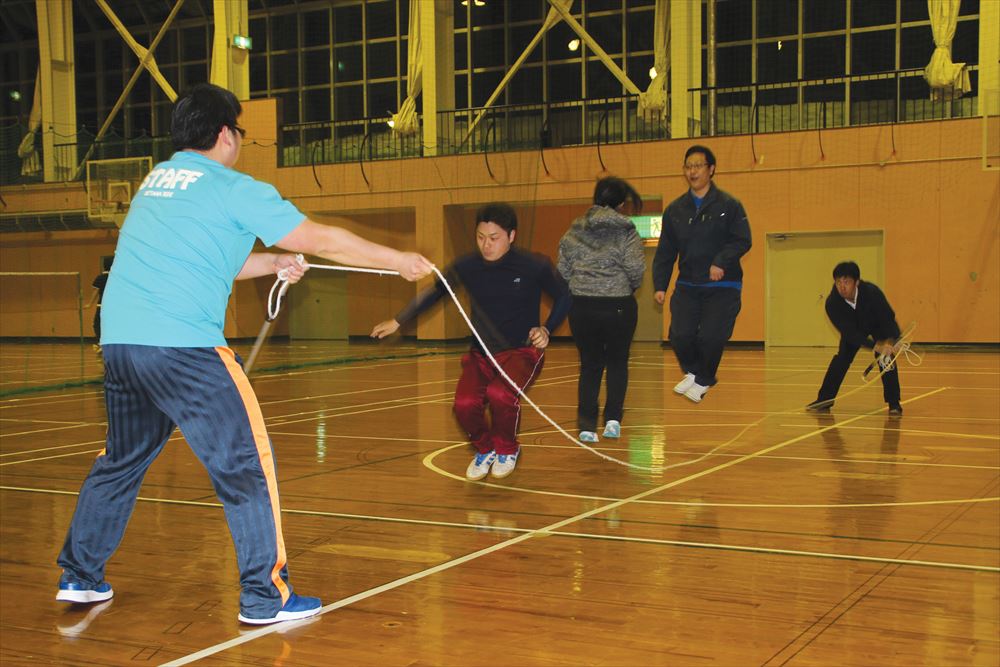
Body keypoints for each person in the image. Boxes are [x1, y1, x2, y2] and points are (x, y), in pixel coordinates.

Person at [55, 83, 434, 625]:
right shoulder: (233, 187)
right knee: (246, 465)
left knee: (120, 461)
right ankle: (265, 596)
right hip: (183, 347)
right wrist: (394, 259)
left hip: (121, 345)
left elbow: (219, 264)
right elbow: (320, 237)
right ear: (226, 134)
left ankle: (80, 576)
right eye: (239, 132)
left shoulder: (155, 184)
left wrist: (275, 262)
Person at [371, 203, 571, 480]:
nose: (486, 245)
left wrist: (547, 329)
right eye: (480, 237)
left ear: (511, 236)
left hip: (521, 352)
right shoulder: (468, 265)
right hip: (481, 354)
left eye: (494, 238)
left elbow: (564, 296)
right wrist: (399, 320)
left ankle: (507, 449)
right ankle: (485, 448)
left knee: (501, 395)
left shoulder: (533, 265)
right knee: (464, 404)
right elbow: (436, 291)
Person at [652, 145, 752, 403]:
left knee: (711, 336)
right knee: (680, 335)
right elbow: (665, 250)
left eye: (698, 165)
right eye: (688, 166)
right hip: (688, 284)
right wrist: (660, 285)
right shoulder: (675, 210)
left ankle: (704, 379)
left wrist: (721, 261)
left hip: (723, 285)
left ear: (711, 169)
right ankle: (696, 372)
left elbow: (742, 240)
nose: (692, 171)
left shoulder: (729, 205)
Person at [557, 176, 645, 443]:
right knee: (618, 363)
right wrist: (622, 286)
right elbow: (636, 270)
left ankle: (586, 426)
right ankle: (612, 422)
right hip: (618, 305)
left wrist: (583, 283)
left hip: (582, 306)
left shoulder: (573, 231)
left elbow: (562, 269)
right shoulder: (626, 231)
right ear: (620, 203)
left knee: (590, 365)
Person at [806, 261, 903, 416]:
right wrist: (874, 345)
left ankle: (894, 403)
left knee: (886, 358)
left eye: (846, 282)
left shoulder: (872, 293)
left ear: (856, 282)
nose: (842, 287)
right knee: (841, 359)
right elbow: (850, 334)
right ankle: (824, 400)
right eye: (838, 282)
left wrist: (892, 340)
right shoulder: (832, 303)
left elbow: (887, 317)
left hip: (876, 324)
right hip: (854, 329)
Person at [86, 256, 112, 352]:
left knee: (97, 324)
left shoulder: (100, 277)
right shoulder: (115, 278)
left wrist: (89, 304)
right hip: (113, 307)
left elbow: (95, 292)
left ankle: (100, 343)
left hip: (101, 306)